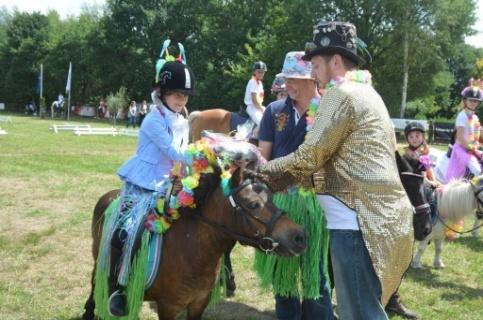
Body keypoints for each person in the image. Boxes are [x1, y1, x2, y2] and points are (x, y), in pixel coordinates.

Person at [259, 21, 413, 320]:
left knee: (359, 313)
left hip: (355, 225)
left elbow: (308, 157)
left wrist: (257, 173)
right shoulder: (368, 93)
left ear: (336, 61)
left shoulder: (340, 94)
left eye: (315, 65)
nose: (313, 74)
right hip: (374, 221)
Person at [101, 60, 195, 317]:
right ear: (162, 93)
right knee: (127, 230)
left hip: (168, 183)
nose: (181, 99)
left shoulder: (182, 120)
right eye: (177, 94)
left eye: (184, 95)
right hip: (143, 184)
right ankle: (117, 287)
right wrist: (206, 153)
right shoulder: (153, 120)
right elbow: (174, 151)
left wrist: (188, 178)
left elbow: (180, 158)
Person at [256, 51, 333, 319]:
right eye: (286, 78)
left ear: (312, 77)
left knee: (317, 274)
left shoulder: (330, 110)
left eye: (294, 79)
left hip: (316, 203)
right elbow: (263, 157)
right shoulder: (274, 111)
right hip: (282, 206)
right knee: (284, 277)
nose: (287, 84)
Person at [446, 79, 483, 182]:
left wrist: (477, 145)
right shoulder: (462, 116)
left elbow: (478, 137)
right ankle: (474, 189)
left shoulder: (475, 117)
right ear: (465, 101)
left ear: (478, 103)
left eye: (475, 101)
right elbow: (461, 138)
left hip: (471, 148)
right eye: (470, 100)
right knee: (477, 170)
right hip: (462, 149)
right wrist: (473, 149)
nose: (473, 103)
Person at [244, 61, 267, 127]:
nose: (261, 74)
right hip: (252, 108)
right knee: (262, 124)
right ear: (254, 72)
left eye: (262, 72)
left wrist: (261, 108)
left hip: (257, 107)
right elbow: (254, 100)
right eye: (259, 72)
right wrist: (260, 108)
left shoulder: (259, 83)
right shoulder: (253, 82)